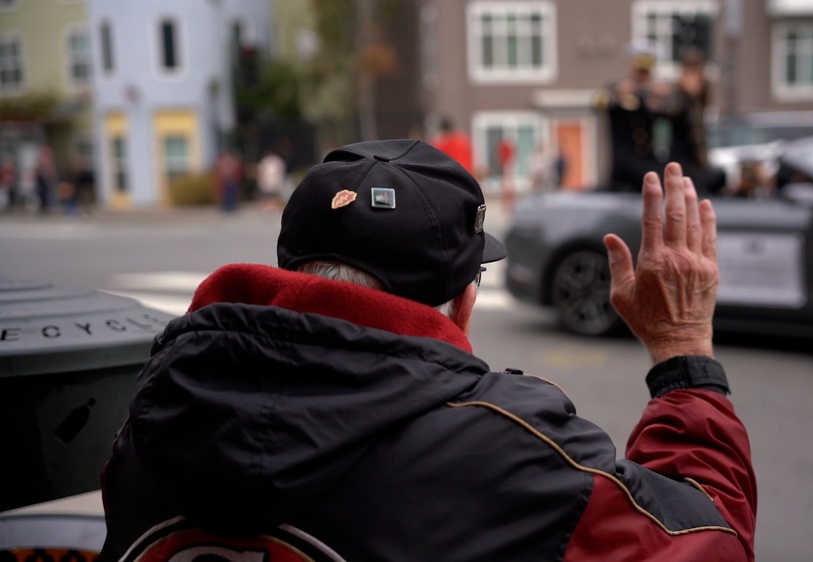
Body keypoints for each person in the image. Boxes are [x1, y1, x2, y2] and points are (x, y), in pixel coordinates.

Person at [100, 139, 756, 561]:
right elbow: (710, 540)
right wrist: (681, 351)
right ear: (463, 301)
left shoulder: (154, 413)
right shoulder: (508, 457)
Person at [595, 40, 671, 193]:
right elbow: (598, 103)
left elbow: (670, 114)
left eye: (646, 71)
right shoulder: (619, 90)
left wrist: (661, 99)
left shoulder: (651, 95)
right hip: (623, 165)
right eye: (640, 70)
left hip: (647, 161)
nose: (643, 75)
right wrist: (616, 94)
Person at [664, 47, 726, 196]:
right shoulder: (679, 98)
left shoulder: (701, 100)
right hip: (683, 162)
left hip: (697, 162)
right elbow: (671, 112)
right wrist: (688, 95)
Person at [256, 148, 287, 213]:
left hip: (274, 182)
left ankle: (274, 208)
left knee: (274, 196)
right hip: (267, 182)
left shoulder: (277, 161)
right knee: (267, 196)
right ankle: (268, 209)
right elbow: (262, 172)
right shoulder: (265, 161)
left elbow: (280, 172)